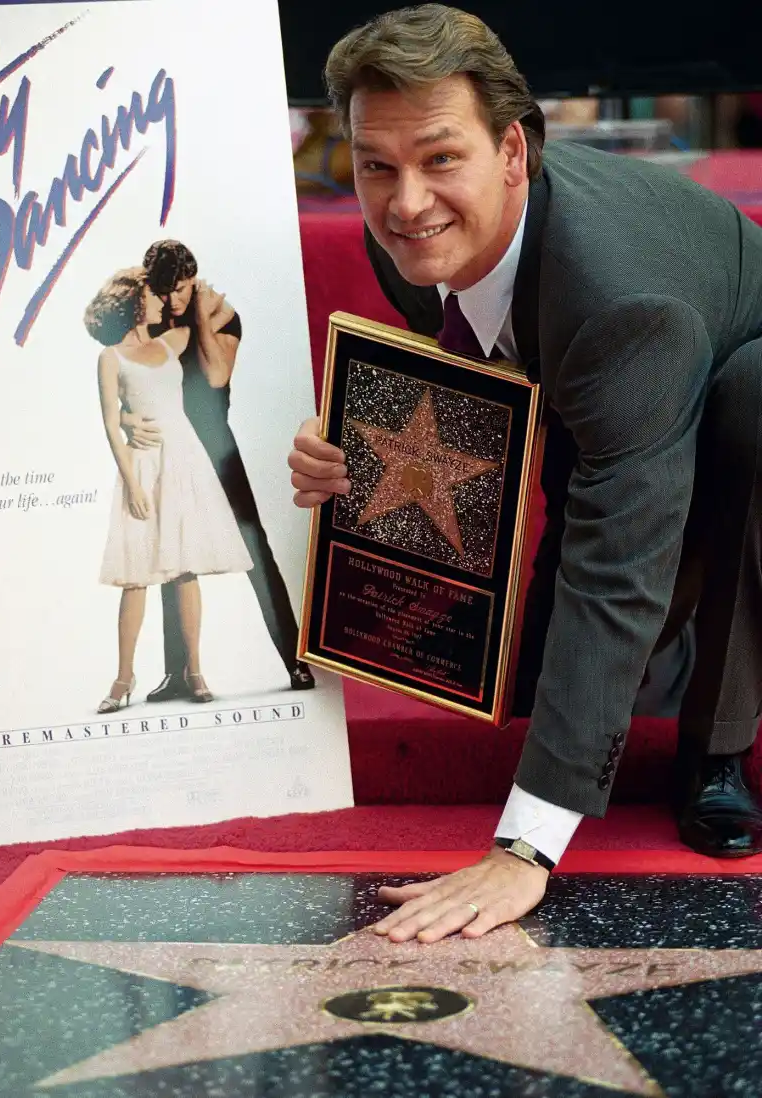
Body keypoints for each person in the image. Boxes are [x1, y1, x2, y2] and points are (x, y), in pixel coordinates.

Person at [287, 4, 762, 944]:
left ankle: (719, 746)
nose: (405, 201)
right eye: (375, 166)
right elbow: (470, 383)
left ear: (514, 151)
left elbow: (618, 566)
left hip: (735, 363)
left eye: (439, 158)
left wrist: (526, 849)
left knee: (748, 421)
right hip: (606, 375)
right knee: (542, 676)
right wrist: (353, 449)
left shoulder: (628, 307)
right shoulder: (412, 248)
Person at [122, 240, 315, 700]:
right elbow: (124, 379)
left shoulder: (222, 316)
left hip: (213, 447)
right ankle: (177, 674)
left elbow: (215, 378)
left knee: (255, 553)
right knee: (170, 556)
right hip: (165, 447)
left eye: (182, 289)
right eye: (164, 291)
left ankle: (295, 661)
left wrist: (203, 318)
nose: (173, 301)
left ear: (195, 281)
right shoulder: (147, 318)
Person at [85, 268, 253, 712]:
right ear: (134, 303)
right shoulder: (110, 357)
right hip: (143, 466)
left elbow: (204, 316)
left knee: (186, 569)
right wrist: (132, 475)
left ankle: (194, 669)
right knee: (136, 576)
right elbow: (107, 422)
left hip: (183, 460)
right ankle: (123, 678)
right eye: (151, 294)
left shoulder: (171, 341)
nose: (161, 300)